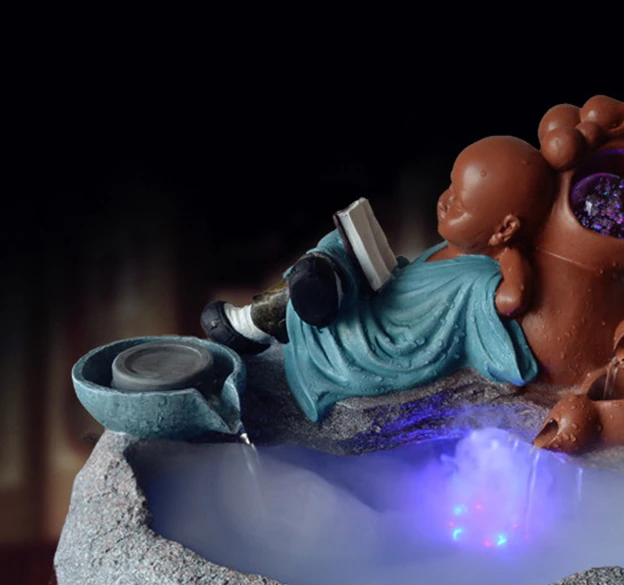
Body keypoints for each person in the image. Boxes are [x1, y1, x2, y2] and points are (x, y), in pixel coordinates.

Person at [202, 136, 555, 421]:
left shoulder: (480, 277)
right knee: (337, 246)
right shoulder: (456, 247)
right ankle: (311, 293)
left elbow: (512, 300)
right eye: (450, 187)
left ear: (505, 229)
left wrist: (513, 253)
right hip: (385, 302)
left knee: (331, 270)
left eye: (460, 204)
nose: (445, 201)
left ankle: (258, 321)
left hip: (383, 346)